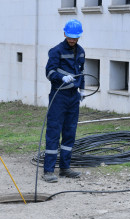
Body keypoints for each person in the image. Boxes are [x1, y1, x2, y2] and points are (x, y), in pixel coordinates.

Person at [42, 19, 85, 183]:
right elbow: (49, 73)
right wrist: (61, 77)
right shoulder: (56, 51)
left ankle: (65, 168)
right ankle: (48, 171)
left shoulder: (81, 52)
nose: (72, 40)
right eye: (70, 36)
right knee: (53, 132)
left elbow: (82, 72)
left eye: (75, 37)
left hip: (73, 97)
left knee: (70, 132)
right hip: (58, 97)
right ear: (65, 34)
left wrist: (83, 90)